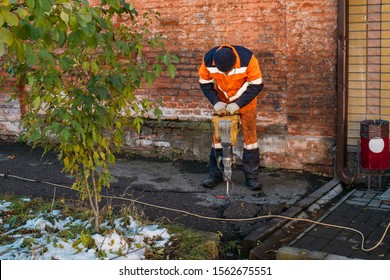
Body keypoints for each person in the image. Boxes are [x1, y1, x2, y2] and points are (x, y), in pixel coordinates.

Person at [198, 45, 264, 190]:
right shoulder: (208, 60)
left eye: (229, 71)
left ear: (234, 63)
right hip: (223, 103)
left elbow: (257, 85)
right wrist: (216, 102)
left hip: (246, 102)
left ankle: (252, 178)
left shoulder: (248, 59)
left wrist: (238, 103)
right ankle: (216, 174)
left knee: (250, 139)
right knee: (219, 138)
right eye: (224, 72)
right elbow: (204, 82)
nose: (226, 74)